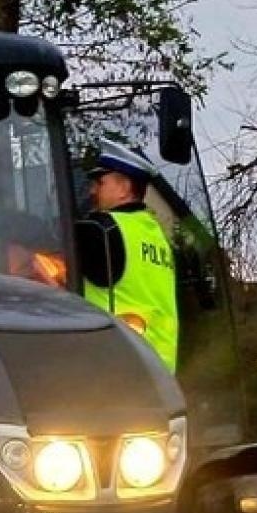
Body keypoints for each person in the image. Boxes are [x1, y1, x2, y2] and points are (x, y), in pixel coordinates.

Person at [76, 140, 178, 371]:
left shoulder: (102, 230)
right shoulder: (157, 236)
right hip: (160, 375)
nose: (92, 190)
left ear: (123, 188)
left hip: (114, 372)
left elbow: (40, 234)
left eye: (99, 182)